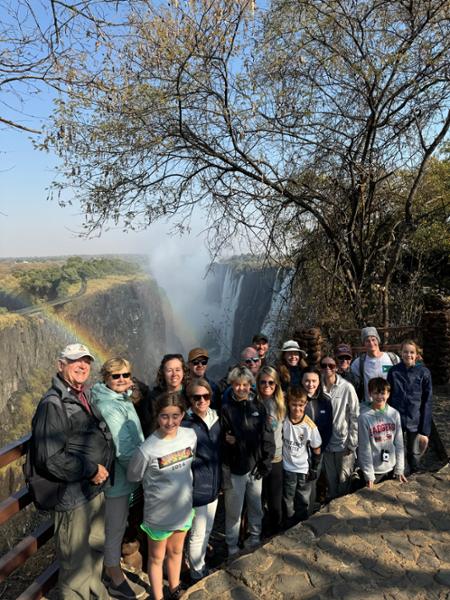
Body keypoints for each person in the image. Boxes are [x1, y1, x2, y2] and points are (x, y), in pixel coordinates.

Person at [32, 343, 115, 600]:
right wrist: (91, 469)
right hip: (73, 499)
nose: (82, 365)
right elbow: (50, 458)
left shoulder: (83, 395)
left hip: (93, 492)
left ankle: (96, 594)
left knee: (95, 550)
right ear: (61, 365)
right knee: (75, 566)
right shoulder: (52, 404)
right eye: (75, 360)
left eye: (86, 361)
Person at [128, 392, 196, 600]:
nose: (170, 421)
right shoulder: (148, 449)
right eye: (164, 416)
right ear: (157, 416)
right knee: (156, 557)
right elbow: (133, 474)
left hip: (183, 508)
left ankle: (174, 588)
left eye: (175, 416)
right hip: (159, 515)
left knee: (176, 553)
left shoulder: (190, 436)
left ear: (183, 415)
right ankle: (158, 596)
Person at [91, 357, 146, 599]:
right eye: (116, 376)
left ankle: (110, 568)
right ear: (105, 378)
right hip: (118, 480)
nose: (122, 379)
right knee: (115, 528)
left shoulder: (118, 398)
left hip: (124, 478)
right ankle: (114, 577)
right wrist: (145, 474)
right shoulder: (110, 406)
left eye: (126, 375)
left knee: (116, 526)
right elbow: (124, 450)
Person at [221, 366, 275, 556]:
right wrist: (239, 441)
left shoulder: (258, 407)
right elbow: (226, 441)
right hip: (236, 469)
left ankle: (254, 539)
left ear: (250, 386)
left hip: (255, 468)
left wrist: (265, 462)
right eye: (237, 385)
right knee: (234, 511)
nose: (241, 388)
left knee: (255, 507)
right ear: (232, 386)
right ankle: (232, 546)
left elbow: (267, 437)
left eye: (245, 385)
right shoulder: (226, 410)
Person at [183, 378, 221, 582]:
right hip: (197, 487)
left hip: (214, 484)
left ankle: (200, 564)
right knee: (197, 533)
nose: (201, 401)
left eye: (205, 396)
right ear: (189, 399)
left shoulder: (215, 418)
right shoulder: (186, 424)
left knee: (207, 529)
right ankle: (196, 572)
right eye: (196, 397)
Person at [387, 339, 433, 474]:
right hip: (396, 418)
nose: (409, 355)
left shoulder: (424, 373)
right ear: (401, 353)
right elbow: (388, 397)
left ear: (417, 354)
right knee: (396, 449)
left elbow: (427, 401)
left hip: (415, 418)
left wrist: (425, 430)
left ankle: (414, 473)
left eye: (412, 352)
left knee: (413, 452)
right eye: (406, 352)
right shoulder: (394, 372)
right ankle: (396, 474)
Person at [320, 356, 359, 500]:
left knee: (344, 483)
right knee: (331, 483)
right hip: (326, 445)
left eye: (331, 365)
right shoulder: (318, 388)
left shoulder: (347, 387)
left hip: (344, 445)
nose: (327, 369)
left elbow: (355, 415)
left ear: (336, 367)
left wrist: (352, 443)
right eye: (324, 365)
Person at [282, 387, 322, 526]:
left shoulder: (309, 426)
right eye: (294, 405)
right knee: (288, 497)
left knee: (303, 498)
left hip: (303, 468)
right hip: (287, 467)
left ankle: (301, 523)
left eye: (300, 405)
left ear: (305, 405)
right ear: (288, 404)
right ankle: (288, 522)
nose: (297, 409)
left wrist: (315, 467)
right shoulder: (284, 419)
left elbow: (316, 447)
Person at [358, 377, 407, 488]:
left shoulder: (394, 414)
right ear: (370, 393)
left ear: (388, 394)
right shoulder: (364, 417)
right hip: (373, 471)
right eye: (376, 393)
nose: (379, 397)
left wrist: (399, 468)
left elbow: (399, 444)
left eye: (383, 393)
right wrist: (369, 475)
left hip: (391, 467)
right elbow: (364, 448)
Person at [256, 366, 285, 535]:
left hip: (276, 459)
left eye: (271, 382)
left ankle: (275, 533)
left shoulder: (281, 404)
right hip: (258, 460)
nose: (267, 385)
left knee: (275, 502)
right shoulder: (253, 402)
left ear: (276, 385)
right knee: (258, 501)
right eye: (263, 382)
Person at [351, 327, 400, 402]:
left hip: (390, 405)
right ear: (364, 343)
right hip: (369, 406)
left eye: (373, 339)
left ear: (378, 340)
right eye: (367, 341)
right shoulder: (358, 363)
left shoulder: (393, 358)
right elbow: (352, 384)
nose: (371, 343)